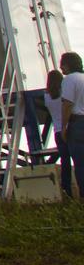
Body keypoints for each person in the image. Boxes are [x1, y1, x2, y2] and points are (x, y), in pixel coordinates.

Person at [45, 70, 73, 199]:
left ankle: (66, 189)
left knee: (65, 161)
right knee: (78, 159)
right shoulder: (64, 94)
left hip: (57, 132)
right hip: (69, 129)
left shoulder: (47, 96)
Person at [60, 52, 84, 198]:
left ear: (67, 65)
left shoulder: (69, 79)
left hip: (77, 123)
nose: (61, 67)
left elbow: (67, 104)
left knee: (80, 163)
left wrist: (64, 127)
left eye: (62, 64)